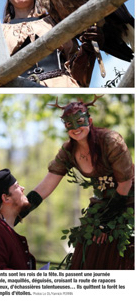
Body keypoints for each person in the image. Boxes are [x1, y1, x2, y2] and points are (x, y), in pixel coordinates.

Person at [28, 98, 134, 269]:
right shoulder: (68, 151)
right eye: (70, 124)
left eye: (79, 122)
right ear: (65, 127)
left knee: (120, 246)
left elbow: (125, 184)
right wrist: (20, 210)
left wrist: (107, 222)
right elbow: (46, 186)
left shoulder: (111, 141)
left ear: (89, 121)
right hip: (101, 202)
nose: (76, 128)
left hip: (128, 200)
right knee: (87, 243)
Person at [0, 169, 36, 269]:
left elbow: (38, 194)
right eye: (17, 186)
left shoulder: (2, 226)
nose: (22, 188)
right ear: (6, 198)